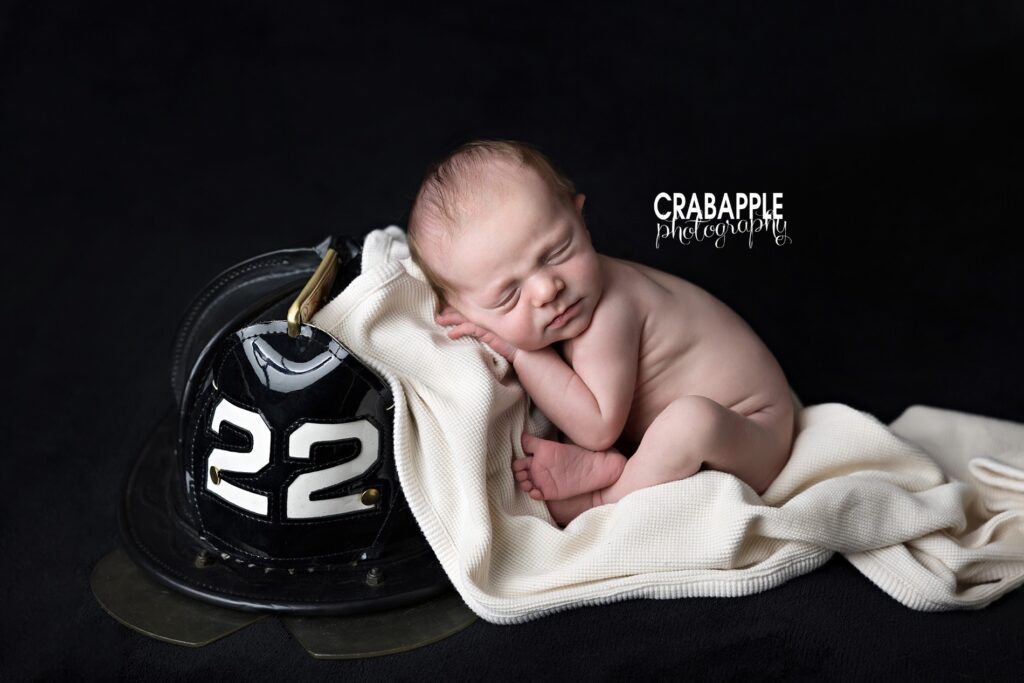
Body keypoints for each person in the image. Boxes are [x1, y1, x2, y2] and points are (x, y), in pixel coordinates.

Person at [406, 140, 795, 526]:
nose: (546, 290)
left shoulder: (608, 312)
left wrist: (523, 353)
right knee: (678, 424)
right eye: (509, 296)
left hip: (753, 437)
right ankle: (613, 469)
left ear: (581, 220)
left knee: (691, 422)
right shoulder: (571, 301)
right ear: (460, 310)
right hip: (699, 437)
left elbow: (597, 426)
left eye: (557, 253)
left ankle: (605, 495)